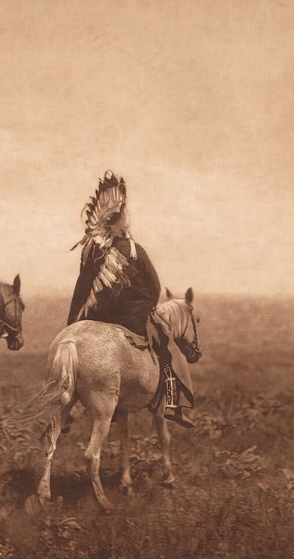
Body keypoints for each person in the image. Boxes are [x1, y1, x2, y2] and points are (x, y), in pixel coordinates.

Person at [67, 171, 195, 428]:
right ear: (123, 224)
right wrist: (144, 310)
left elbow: (80, 291)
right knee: (168, 351)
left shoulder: (94, 254)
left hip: (97, 318)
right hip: (133, 320)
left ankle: (65, 408)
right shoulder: (137, 251)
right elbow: (155, 287)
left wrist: (71, 324)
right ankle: (172, 405)